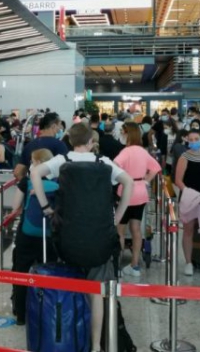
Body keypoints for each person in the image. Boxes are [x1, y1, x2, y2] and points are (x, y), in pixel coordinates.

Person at [30, 123, 133, 352]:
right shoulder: (103, 162)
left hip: (68, 237)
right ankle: (95, 345)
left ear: (70, 141)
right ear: (90, 142)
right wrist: (117, 216)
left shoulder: (62, 160)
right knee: (96, 292)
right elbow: (128, 182)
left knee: (72, 286)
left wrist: (46, 207)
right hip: (99, 237)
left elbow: (35, 173)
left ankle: (72, 337)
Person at [10, 148, 56, 325]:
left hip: (27, 234)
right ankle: (48, 312)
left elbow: (15, 206)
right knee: (50, 273)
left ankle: (21, 314)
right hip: (50, 236)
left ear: (38, 163)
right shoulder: (58, 182)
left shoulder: (27, 182)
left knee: (21, 272)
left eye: (32, 161)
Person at [113, 122, 162, 277]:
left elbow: (114, 166)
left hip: (126, 192)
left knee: (120, 230)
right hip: (140, 191)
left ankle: (117, 265)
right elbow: (156, 168)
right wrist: (146, 180)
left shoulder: (125, 151)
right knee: (136, 229)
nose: (121, 134)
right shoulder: (142, 151)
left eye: (122, 132)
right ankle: (134, 265)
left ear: (128, 134)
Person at [175, 129, 200, 276]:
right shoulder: (184, 157)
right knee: (188, 230)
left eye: (196, 139)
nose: (193, 142)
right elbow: (178, 180)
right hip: (189, 197)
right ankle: (188, 263)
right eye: (191, 139)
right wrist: (190, 194)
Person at [13, 112, 68, 181]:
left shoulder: (29, 145)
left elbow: (17, 172)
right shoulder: (59, 145)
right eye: (59, 125)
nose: (60, 129)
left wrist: (28, 184)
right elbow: (66, 171)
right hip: (54, 186)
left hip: (34, 185)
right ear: (54, 126)